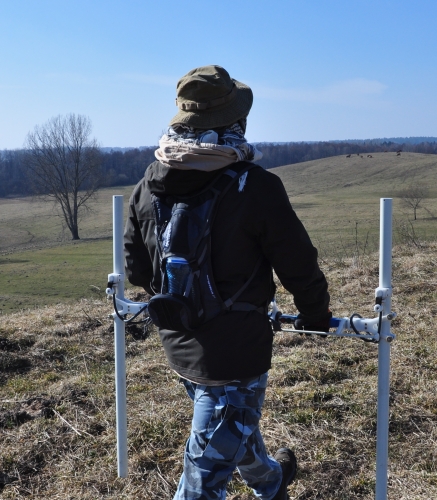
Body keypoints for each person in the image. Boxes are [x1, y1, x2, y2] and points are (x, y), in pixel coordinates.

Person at [124, 65, 332, 500]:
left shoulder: (147, 185)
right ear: (234, 123)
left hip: (178, 340)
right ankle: (269, 480)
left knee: (226, 422)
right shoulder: (255, 187)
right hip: (237, 350)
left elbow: (138, 272)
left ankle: (270, 481)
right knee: (201, 482)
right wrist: (314, 313)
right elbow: (297, 261)